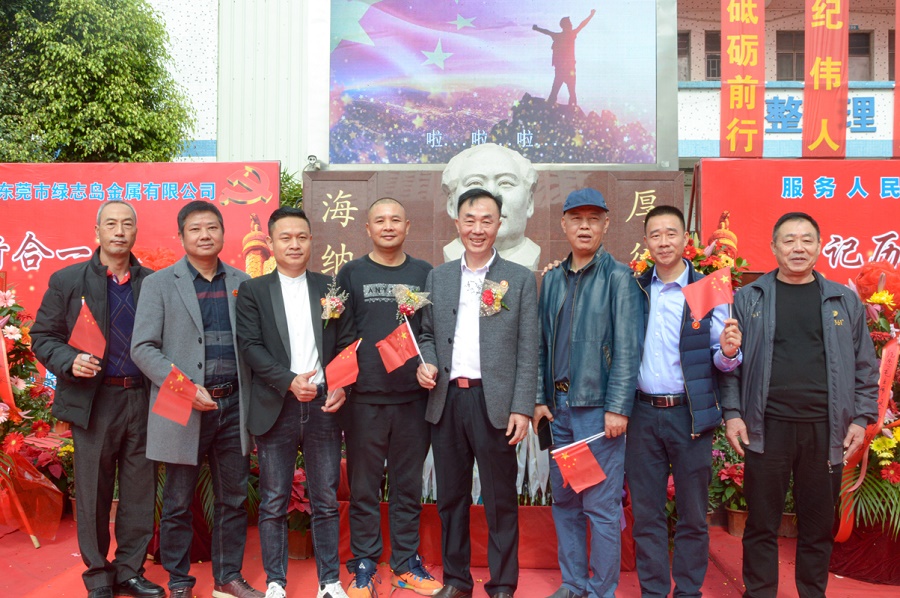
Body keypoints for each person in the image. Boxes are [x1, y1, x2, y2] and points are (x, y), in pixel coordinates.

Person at [720, 212, 879, 598]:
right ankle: (760, 592)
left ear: (819, 247)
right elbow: (730, 362)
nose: (798, 248)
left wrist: (861, 418)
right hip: (766, 427)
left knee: (817, 525)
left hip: (826, 429)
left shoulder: (843, 300)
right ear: (774, 247)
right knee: (761, 522)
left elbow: (865, 365)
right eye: (788, 240)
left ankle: (812, 592)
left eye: (807, 240)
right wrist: (733, 413)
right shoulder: (749, 298)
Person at [31, 201, 164, 598]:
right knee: (92, 492)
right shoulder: (68, 281)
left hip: (143, 398)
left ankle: (130, 571)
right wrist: (69, 361)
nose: (119, 231)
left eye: (127, 224)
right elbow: (43, 336)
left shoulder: (154, 284)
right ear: (97, 232)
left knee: (140, 491)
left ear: (136, 232)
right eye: (111, 224)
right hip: (94, 401)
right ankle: (98, 575)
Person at [131, 202, 262, 598]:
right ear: (181, 236)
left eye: (212, 227)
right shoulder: (159, 284)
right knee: (177, 500)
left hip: (233, 405)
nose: (205, 235)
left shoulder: (243, 282)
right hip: (180, 405)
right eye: (195, 229)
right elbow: (143, 348)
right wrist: (186, 387)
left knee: (233, 499)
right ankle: (179, 581)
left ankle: (228, 577)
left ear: (223, 232)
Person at [417, 188, 539, 598]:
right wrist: (427, 361)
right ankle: (456, 580)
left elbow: (529, 348)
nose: (477, 229)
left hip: (495, 404)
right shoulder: (439, 277)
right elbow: (427, 333)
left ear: (499, 224)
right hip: (447, 400)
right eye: (470, 220)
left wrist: (522, 407)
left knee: (500, 499)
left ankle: (502, 584)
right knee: (451, 498)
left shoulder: (518, 279)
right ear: (457, 223)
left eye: (487, 220)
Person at [234, 206, 354, 598]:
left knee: (325, 498)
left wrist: (341, 385)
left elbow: (347, 341)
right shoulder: (253, 291)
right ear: (271, 243)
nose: (294, 244)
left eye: (302, 237)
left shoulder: (329, 288)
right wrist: (288, 382)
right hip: (276, 405)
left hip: (323, 404)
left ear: (311, 241)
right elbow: (250, 347)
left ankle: (329, 582)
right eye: (285, 238)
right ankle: (275, 582)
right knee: (273, 499)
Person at [627, 205, 742, 598]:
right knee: (647, 514)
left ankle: (688, 591)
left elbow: (722, 358)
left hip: (690, 415)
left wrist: (729, 351)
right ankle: (654, 591)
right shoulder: (635, 289)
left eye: (671, 233)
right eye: (655, 234)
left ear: (685, 240)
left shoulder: (707, 288)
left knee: (693, 514)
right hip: (642, 414)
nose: (664, 242)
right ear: (646, 242)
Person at [533, 188, 642, 598]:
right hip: (558, 411)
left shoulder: (619, 277)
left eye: (593, 219)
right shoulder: (552, 279)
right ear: (563, 224)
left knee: (600, 505)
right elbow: (541, 345)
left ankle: (600, 590)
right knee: (565, 501)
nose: (584, 226)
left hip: (597, 412)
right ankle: (573, 583)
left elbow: (628, 347)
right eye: (576, 218)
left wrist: (618, 407)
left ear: (605, 224)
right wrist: (540, 399)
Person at [336, 198, 441, 597]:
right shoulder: (351, 273)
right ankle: (364, 562)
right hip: (364, 401)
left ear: (408, 226)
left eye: (395, 219)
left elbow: (430, 331)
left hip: (413, 400)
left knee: (407, 487)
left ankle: (406, 561)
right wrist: (343, 382)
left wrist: (429, 366)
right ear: (367, 228)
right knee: (363, 488)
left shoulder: (424, 273)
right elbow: (341, 334)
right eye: (379, 220)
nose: (388, 226)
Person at [441, 144, 540, 270]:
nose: (491, 194)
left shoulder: (526, 276)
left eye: (505, 182)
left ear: (529, 202)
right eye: (475, 182)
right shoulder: (438, 275)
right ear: (451, 204)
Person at [532, 10, 596, 106]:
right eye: (570, 23)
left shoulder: (558, 36)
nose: (571, 25)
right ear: (565, 25)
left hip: (561, 70)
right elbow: (582, 25)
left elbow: (547, 32)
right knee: (571, 93)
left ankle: (550, 109)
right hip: (569, 69)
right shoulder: (571, 35)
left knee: (556, 92)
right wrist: (591, 15)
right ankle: (572, 111)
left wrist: (537, 28)